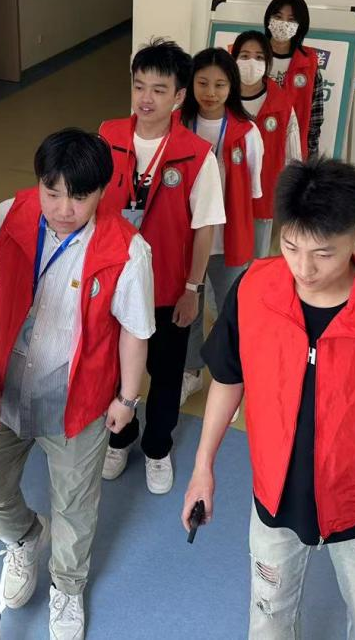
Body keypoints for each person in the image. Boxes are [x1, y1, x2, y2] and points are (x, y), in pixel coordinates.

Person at [182, 158, 355, 640]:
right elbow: (228, 379)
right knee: (268, 612)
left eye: (323, 253)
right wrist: (202, 468)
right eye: (291, 246)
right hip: (274, 499)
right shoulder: (253, 289)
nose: (304, 268)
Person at [0, 129, 155, 640]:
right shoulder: (4, 218)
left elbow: (135, 332)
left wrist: (128, 398)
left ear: (102, 191)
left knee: (74, 507)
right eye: (52, 193)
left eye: (79, 196)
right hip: (5, 389)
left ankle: (67, 587)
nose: (63, 209)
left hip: (79, 401)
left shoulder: (128, 250)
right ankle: (25, 538)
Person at [96, 38, 225, 494]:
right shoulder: (108, 136)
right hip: (113, 284)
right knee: (112, 370)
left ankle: (156, 448)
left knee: (166, 375)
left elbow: (205, 228)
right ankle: (120, 438)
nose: (146, 99)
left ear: (179, 96)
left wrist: (193, 289)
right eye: (138, 87)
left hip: (169, 288)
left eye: (158, 89)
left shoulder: (196, 153)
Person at [178, 48, 263, 408]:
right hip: (188, 238)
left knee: (232, 312)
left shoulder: (247, 132)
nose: (210, 92)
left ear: (232, 87)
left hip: (228, 240)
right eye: (202, 83)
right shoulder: (178, 125)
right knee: (189, 310)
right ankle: (191, 371)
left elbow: (254, 192)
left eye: (219, 84)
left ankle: (231, 379)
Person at [232, 29, 302, 259]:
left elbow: (293, 159)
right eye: (244, 56)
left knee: (258, 259)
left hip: (264, 198)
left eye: (259, 57)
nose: (251, 62)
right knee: (223, 261)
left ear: (268, 62)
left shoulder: (281, 105)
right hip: (225, 196)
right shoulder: (221, 99)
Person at [265, 0, 324, 158]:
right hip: (256, 143)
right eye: (278, 17)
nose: (283, 23)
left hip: (293, 149)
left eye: (291, 20)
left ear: (300, 26)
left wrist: (310, 158)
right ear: (268, 19)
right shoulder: (253, 55)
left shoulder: (309, 63)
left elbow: (315, 117)